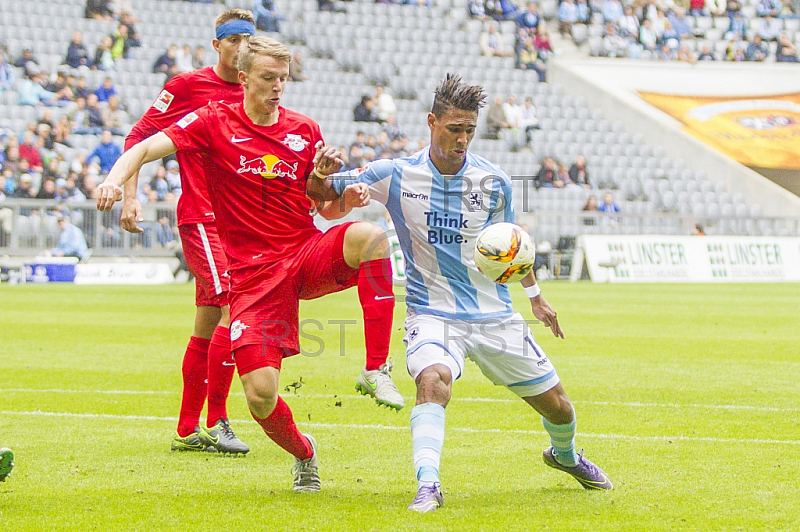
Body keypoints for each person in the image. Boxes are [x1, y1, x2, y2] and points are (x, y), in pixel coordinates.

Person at [96, 37, 404, 486]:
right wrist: (114, 181)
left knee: (371, 237)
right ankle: (304, 452)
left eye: (284, 78)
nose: (279, 87)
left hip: (302, 251)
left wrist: (340, 193)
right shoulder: (210, 121)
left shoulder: (305, 130)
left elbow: (323, 206)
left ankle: (376, 368)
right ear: (243, 79)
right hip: (254, 277)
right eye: (268, 78)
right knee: (261, 397)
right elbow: (142, 147)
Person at [323, 74, 613, 512]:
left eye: (469, 131)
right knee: (432, 381)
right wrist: (332, 181)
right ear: (431, 121)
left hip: (494, 314)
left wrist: (534, 295)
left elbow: (513, 243)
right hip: (432, 312)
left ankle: (566, 456)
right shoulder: (396, 174)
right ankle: (428, 483)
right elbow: (325, 190)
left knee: (559, 408)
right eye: (454, 128)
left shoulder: (494, 182)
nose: (462, 139)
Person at [111, 9, 257, 455]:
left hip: (240, 224)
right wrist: (130, 195)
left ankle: (186, 428)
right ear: (217, 45)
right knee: (234, 305)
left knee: (207, 323)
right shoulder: (188, 87)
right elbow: (139, 135)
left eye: (247, 40)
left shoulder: (257, 92)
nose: (241, 48)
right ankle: (217, 421)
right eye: (233, 40)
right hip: (203, 217)